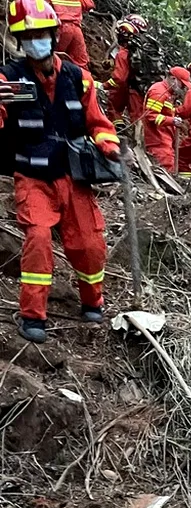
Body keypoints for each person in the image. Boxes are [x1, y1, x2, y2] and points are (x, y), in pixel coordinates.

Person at [1, 0, 120, 343]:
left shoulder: (78, 78)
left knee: (89, 243)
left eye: (42, 34)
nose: (36, 41)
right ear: (20, 41)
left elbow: (99, 122)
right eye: (29, 36)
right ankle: (32, 316)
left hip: (73, 175)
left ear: (54, 35)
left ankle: (92, 301)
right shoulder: (8, 79)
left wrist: (109, 147)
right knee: (38, 239)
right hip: (32, 177)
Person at [143, 66, 189, 173]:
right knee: (164, 169)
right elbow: (150, 115)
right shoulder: (159, 92)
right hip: (157, 141)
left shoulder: (168, 94)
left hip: (164, 140)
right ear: (173, 79)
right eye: (182, 85)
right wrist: (172, 121)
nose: (183, 88)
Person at [106, 17, 145, 128]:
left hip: (131, 88)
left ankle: (119, 127)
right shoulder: (144, 51)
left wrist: (104, 86)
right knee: (139, 118)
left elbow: (120, 79)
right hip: (143, 89)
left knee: (114, 103)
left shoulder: (124, 53)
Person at [50, 0, 92, 70]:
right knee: (81, 63)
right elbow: (89, 4)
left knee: (53, 60)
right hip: (76, 30)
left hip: (60, 28)